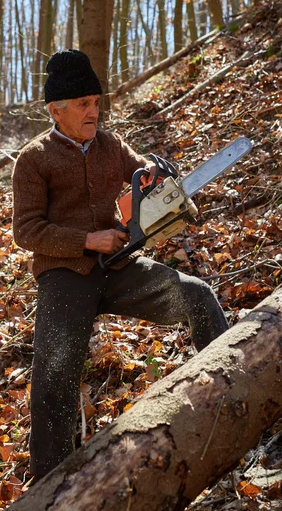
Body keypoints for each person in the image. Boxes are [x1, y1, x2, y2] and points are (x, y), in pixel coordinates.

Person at [12, 49, 228, 480]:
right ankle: (49, 482)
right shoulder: (33, 159)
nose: (93, 112)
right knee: (55, 370)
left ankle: (231, 394)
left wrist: (152, 172)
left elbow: (139, 170)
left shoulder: (109, 145)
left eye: (96, 102)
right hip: (64, 273)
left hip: (118, 265)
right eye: (82, 105)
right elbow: (27, 231)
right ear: (56, 111)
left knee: (196, 296)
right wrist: (85, 239)